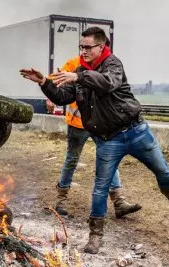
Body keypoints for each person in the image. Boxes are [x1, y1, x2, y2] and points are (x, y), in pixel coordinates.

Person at [21, 27, 169, 254]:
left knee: (162, 171)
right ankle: (95, 236)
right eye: (81, 47)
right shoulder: (80, 71)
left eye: (87, 47)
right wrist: (44, 82)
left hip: (136, 132)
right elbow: (62, 96)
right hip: (107, 141)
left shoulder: (113, 64)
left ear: (101, 47)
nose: (83, 51)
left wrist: (78, 76)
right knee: (100, 189)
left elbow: (107, 83)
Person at [47, 39, 141, 218]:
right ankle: (61, 199)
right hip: (78, 122)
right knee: (72, 159)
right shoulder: (74, 63)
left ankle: (119, 201)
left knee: (108, 159)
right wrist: (51, 97)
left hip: (101, 124)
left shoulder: (108, 65)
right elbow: (55, 79)